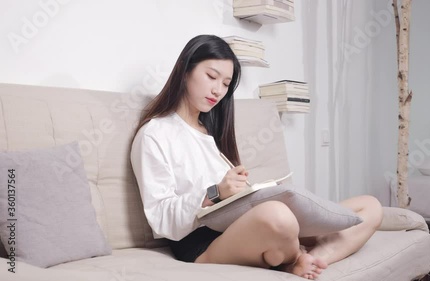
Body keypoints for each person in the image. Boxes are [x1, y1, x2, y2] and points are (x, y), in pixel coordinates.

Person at [130, 34, 383, 280]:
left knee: (369, 206)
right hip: (202, 242)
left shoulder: (212, 133)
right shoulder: (155, 133)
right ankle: (292, 258)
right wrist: (214, 193)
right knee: (277, 215)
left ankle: (306, 258)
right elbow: (161, 217)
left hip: (245, 226)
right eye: (211, 76)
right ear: (185, 71)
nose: (218, 90)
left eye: (226, 84)